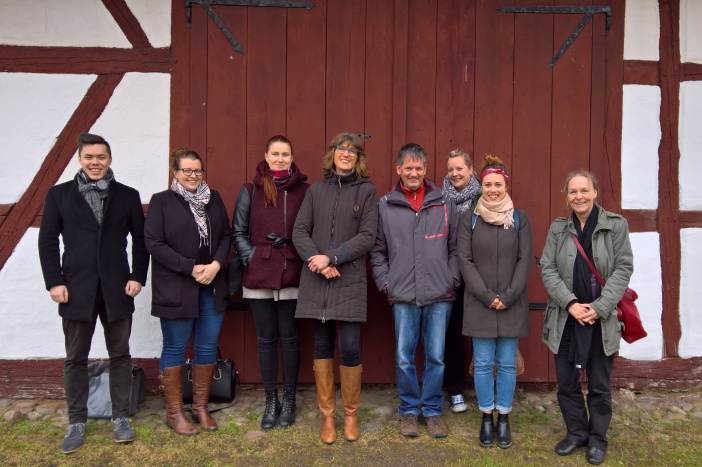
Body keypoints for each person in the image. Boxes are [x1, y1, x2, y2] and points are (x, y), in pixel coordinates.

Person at [38, 132, 149, 454]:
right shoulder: (58, 195)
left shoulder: (127, 195)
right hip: (75, 289)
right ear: (80, 160)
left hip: (118, 288)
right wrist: (54, 281)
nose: (95, 162)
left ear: (110, 159)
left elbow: (140, 242)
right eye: (89, 157)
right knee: (75, 357)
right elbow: (47, 242)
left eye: (101, 157)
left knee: (120, 355)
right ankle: (77, 421)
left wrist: (137, 276)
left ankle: (121, 417)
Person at [540, 170, 633, 465]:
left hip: (600, 318)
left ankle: (598, 439)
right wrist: (570, 304)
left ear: (594, 192)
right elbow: (548, 269)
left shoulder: (615, 226)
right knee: (566, 382)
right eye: (572, 192)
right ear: (566, 196)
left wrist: (600, 306)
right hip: (566, 317)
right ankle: (577, 432)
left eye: (584, 190)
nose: (578, 196)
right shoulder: (558, 229)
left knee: (600, 384)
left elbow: (623, 268)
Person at [370, 142, 460, 439]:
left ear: (425, 169)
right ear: (398, 169)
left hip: (439, 294)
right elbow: (378, 251)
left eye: (418, 167)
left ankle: (432, 411)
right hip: (403, 295)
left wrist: (451, 279)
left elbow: (456, 249)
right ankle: (409, 410)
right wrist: (387, 283)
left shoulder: (443, 203)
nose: (413, 173)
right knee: (404, 356)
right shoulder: (386, 205)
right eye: (407, 168)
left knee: (436, 356)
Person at [292, 132, 378, 444]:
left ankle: (351, 414)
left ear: (358, 157)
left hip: (348, 278)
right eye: (341, 148)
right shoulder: (316, 191)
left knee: (351, 347)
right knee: (322, 347)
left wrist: (333, 257)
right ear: (333, 154)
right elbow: (300, 230)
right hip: (317, 279)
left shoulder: (366, 191)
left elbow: (368, 236)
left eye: (352, 150)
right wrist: (315, 260)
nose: (346, 153)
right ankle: (328, 416)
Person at [144, 148, 231, 436]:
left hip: (211, 285)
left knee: (206, 346)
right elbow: (154, 243)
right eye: (186, 171)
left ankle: (200, 408)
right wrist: (191, 268)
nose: (193, 176)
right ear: (175, 172)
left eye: (197, 171)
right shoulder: (162, 202)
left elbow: (225, 235)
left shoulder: (214, 198)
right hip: (177, 286)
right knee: (176, 348)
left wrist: (216, 264)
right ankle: (174, 413)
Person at [232, 135, 309, 430]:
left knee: (290, 338)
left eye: (285, 154)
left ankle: (289, 400)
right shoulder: (250, 190)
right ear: (266, 155)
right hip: (259, 271)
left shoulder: (304, 190)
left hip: (292, 270)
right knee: (265, 340)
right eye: (275, 153)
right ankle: (270, 401)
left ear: (292, 156)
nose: (280, 158)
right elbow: (237, 231)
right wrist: (251, 256)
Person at [457, 155, 533, 449]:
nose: (492, 189)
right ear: (481, 186)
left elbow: (525, 259)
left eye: (497, 184)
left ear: (505, 185)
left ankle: (504, 417)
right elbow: (465, 260)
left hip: (512, 302)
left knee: (507, 364)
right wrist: (488, 296)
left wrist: (510, 295)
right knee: (484, 362)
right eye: (487, 184)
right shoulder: (470, 219)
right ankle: (486, 416)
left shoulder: (519, 218)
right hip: (480, 303)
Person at [441, 149, 481, 413]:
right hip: (452, 276)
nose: (455, 174)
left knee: (482, 334)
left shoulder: (485, 195)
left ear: (470, 169)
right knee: (452, 334)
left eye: (459, 169)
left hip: (480, 276)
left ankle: (485, 391)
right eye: (451, 169)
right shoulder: (440, 199)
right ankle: (455, 390)